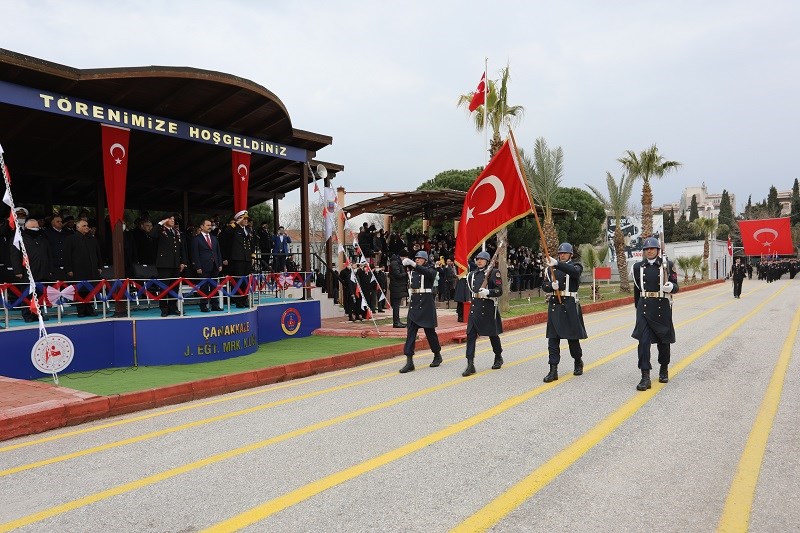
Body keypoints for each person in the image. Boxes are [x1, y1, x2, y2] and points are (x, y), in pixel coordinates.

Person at [631, 237, 679, 390]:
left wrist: (671, 286)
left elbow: (677, 287)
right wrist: (637, 308)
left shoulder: (667, 265)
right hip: (644, 307)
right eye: (646, 249)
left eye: (652, 248)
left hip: (661, 306)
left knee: (663, 341)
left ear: (658, 250)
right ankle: (645, 376)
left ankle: (663, 368)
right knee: (643, 342)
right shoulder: (637, 267)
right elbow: (637, 290)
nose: (649, 251)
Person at [541, 242, 587, 382]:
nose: (562, 255)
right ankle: (553, 369)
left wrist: (557, 264)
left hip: (569, 305)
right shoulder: (550, 269)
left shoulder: (576, 266)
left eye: (565, 253)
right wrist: (550, 286)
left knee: (572, 338)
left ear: (571, 254)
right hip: (555, 304)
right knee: (553, 339)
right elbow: (544, 285)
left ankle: (578, 360)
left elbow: (574, 273)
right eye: (560, 253)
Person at [399, 251, 442, 373]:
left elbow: (428, 273)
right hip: (415, 303)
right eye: (416, 258)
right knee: (410, 333)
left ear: (425, 260)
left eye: (419, 258)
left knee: (430, 332)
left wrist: (413, 264)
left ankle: (437, 354)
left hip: (426, 303)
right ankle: (409, 361)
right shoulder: (412, 270)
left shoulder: (431, 269)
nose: (417, 260)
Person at [462, 251, 504, 376]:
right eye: (478, 259)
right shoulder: (472, 275)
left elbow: (499, 291)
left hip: (488, 308)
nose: (479, 261)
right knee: (470, 335)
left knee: (493, 334)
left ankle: (498, 356)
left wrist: (488, 292)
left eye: (482, 259)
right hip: (475, 308)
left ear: (487, 261)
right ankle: (470, 363)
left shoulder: (493, 273)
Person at [10, 218, 53, 322]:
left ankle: (38, 314)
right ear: (26, 227)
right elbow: (15, 256)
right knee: (26, 295)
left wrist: (50, 269)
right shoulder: (19, 239)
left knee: (39, 294)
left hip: (42, 272)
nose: (35, 229)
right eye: (33, 227)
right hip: (27, 272)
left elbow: (49, 255)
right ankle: (27, 315)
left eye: (37, 227)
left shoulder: (43, 238)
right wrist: (18, 271)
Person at [63, 219, 103, 317]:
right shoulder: (71, 239)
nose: (87, 227)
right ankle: (81, 311)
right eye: (84, 226)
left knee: (90, 290)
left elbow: (98, 254)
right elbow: (67, 256)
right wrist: (69, 269)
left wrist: (99, 266)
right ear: (78, 228)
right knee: (80, 291)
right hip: (78, 270)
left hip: (92, 270)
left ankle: (90, 309)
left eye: (87, 225)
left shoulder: (92, 239)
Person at [149, 214, 187, 317]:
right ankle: (164, 309)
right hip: (164, 264)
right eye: (170, 218)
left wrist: (183, 261)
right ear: (165, 220)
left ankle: (173, 307)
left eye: (173, 219)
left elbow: (181, 248)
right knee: (164, 287)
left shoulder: (176, 232)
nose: (173, 220)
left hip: (175, 264)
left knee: (174, 287)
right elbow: (152, 234)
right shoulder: (161, 231)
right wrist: (160, 223)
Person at [191, 218, 223, 312]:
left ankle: (215, 305)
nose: (210, 227)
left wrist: (220, 264)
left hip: (215, 265)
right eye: (208, 225)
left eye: (210, 225)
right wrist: (198, 266)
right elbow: (195, 254)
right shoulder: (197, 239)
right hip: (203, 267)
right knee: (204, 286)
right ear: (202, 227)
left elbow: (218, 252)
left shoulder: (214, 238)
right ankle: (204, 305)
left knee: (214, 286)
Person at [228, 210, 256, 308]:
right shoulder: (234, 229)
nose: (246, 221)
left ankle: (244, 299)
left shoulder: (248, 230)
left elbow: (252, 244)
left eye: (247, 219)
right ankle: (238, 300)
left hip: (247, 259)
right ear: (239, 219)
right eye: (244, 219)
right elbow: (226, 233)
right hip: (238, 258)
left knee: (246, 281)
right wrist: (236, 223)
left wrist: (253, 256)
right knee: (238, 280)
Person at [388, 249, 409, 328]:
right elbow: (397, 275)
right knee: (396, 305)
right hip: (396, 287)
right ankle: (396, 322)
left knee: (397, 305)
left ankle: (397, 321)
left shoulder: (398, 263)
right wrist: (406, 274)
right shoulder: (395, 263)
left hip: (398, 286)